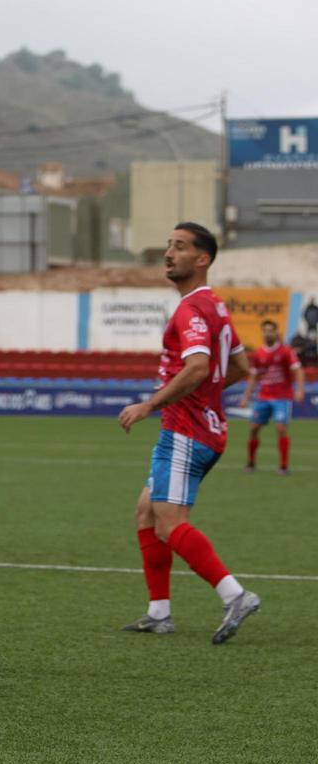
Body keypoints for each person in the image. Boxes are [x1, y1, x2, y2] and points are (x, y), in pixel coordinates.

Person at [117, 222, 259, 644]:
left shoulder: (190, 309)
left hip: (185, 431)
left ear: (202, 259)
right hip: (204, 429)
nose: (168, 253)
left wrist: (151, 404)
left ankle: (234, 595)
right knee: (146, 513)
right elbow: (240, 367)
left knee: (169, 524)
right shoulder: (216, 306)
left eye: (180, 247)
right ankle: (159, 613)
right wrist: (205, 396)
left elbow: (198, 367)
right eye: (169, 245)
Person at [239, 319, 305, 475]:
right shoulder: (258, 354)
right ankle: (251, 463)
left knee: (281, 428)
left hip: (282, 397)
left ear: (276, 332)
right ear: (262, 333)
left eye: (271, 330)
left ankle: (283, 466)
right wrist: (246, 397)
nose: (268, 333)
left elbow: (299, 370)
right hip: (263, 397)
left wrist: (300, 389)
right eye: (265, 330)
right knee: (253, 429)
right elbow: (254, 377)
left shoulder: (286, 351)